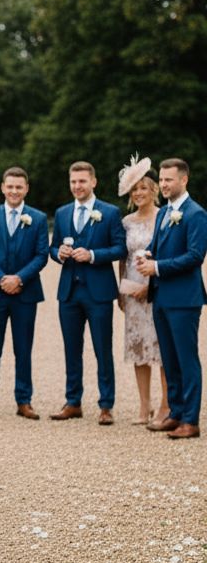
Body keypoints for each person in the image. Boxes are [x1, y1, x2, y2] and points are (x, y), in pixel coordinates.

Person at [50, 161, 127, 424]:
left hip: (99, 293)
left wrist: (93, 255)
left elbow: (120, 248)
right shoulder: (61, 213)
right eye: (73, 182)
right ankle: (73, 402)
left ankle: (106, 405)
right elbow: (52, 248)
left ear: (93, 182)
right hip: (69, 293)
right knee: (72, 349)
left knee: (102, 349)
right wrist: (58, 254)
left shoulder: (110, 212)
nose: (77, 186)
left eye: (82, 181)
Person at [137, 158, 207, 440]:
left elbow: (194, 256)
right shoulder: (166, 212)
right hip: (162, 297)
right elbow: (158, 247)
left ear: (184, 180)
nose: (164, 184)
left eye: (169, 180)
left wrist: (157, 267)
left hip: (184, 299)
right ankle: (175, 413)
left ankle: (190, 420)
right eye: (162, 180)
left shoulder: (196, 214)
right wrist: (147, 255)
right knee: (170, 359)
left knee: (186, 359)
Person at [0, 166, 49, 420]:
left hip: (25, 294)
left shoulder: (37, 218)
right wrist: (1, 278)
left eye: (19, 186)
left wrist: (19, 278)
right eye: (10, 186)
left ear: (26, 188)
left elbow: (41, 255)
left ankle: (24, 400)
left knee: (23, 349)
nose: (14, 191)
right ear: (3, 188)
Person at [116, 155, 168, 425]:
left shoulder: (165, 217)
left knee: (161, 348)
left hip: (158, 288)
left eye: (143, 188)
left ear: (154, 190)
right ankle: (143, 405)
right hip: (132, 291)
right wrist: (121, 292)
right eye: (134, 189)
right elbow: (122, 259)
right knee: (138, 350)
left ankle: (165, 405)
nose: (138, 193)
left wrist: (150, 286)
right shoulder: (126, 222)